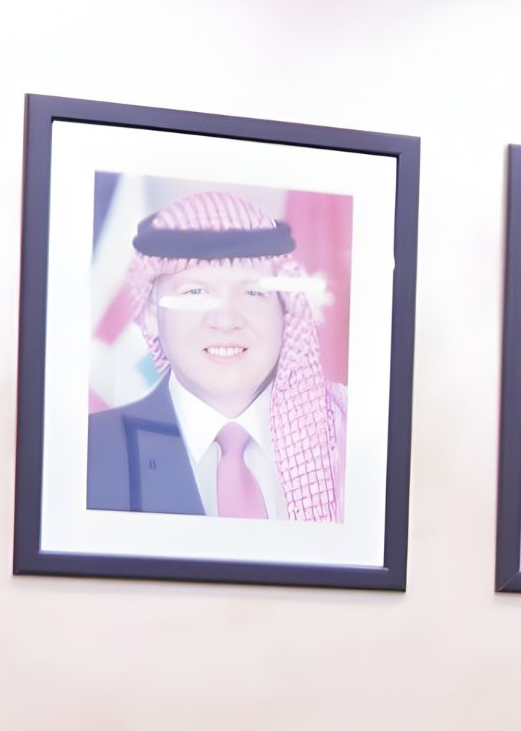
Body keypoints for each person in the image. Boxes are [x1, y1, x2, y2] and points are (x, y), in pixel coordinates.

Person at [83, 188, 350, 521]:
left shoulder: (346, 440)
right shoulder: (89, 454)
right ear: (150, 313)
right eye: (195, 292)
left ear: (285, 309)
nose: (225, 320)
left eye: (253, 292)